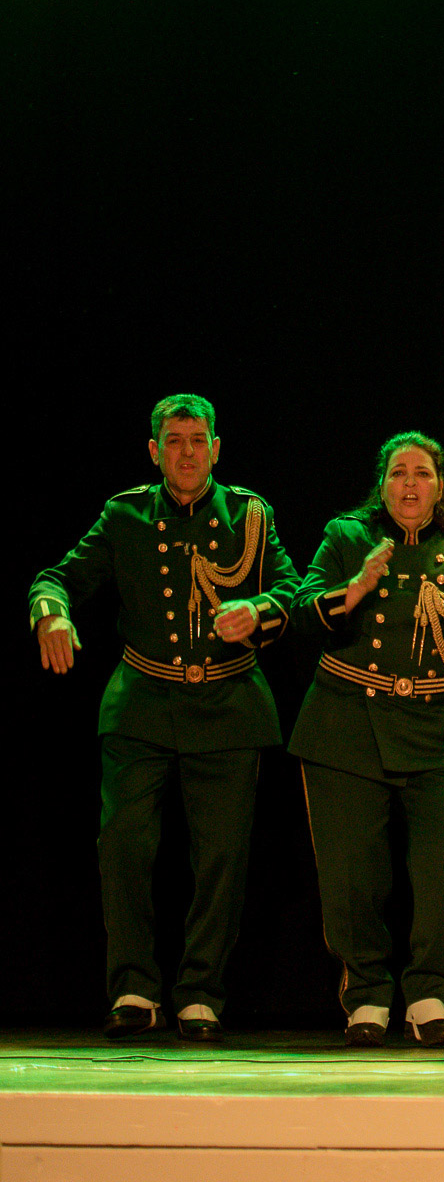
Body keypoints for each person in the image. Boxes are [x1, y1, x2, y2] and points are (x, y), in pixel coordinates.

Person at [29, 394, 298, 1041]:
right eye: (174, 441)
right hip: (143, 703)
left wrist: (259, 610)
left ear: (216, 449)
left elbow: (294, 588)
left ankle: (201, 992)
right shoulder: (125, 514)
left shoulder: (250, 514)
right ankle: (134, 988)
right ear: (154, 451)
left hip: (229, 706)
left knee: (222, 857)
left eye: (197, 440)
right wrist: (50, 614)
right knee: (123, 844)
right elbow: (56, 577)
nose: (186, 452)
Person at [287, 432, 444, 1047]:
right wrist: (356, 587)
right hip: (346, 722)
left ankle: (430, 993)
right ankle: (367, 996)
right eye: (399, 472)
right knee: (351, 875)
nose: (410, 483)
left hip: (435, 728)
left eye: (422, 473)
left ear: (440, 486)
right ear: (381, 485)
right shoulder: (346, 536)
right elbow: (302, 612)